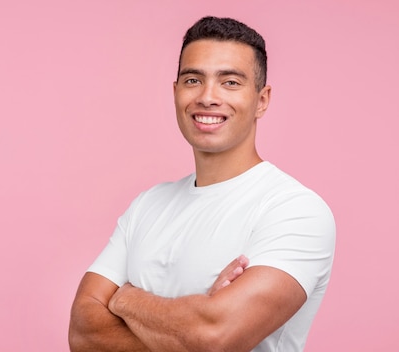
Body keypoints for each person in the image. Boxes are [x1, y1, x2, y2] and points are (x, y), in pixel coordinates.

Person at [68, 16, 335, 352]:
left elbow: (213, 337)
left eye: (231, 82)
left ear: (262, 100)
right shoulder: (148, 205)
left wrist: (125, 299)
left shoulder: (294, 210)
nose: (208, 97)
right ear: (176, 91)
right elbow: (82, 332)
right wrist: (194, 319)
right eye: (193, 79)